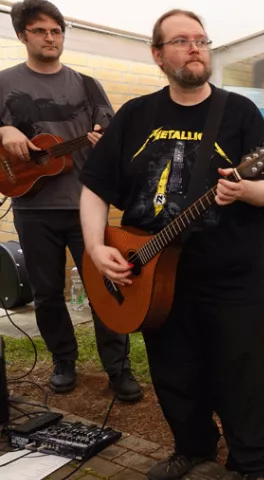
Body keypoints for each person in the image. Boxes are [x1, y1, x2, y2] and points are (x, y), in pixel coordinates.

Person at [78, 9, 264, 480]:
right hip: (149, 278)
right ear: (157, 55)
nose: (195, 47)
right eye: (181, 40)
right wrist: (94, 247)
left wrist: (244, 189)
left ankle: (252, 466)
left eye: (202, 40)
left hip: (231, 281)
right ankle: (192, 450)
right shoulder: (135, 114)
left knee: (241, 379)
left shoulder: (239, 112)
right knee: (174, 375)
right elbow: (94, 187)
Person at [0, 0, 140, 401]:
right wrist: (2, 132)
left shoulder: (88, 84)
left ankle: (118, 367)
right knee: (46, 292)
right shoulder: (4, 82)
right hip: (32, 206)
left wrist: (105, 141)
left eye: (56, 31)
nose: (50, 38)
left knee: (107, 288)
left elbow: (115, 139)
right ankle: (64, 360)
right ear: (22, 35)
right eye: (40, 31)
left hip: (86, 207)